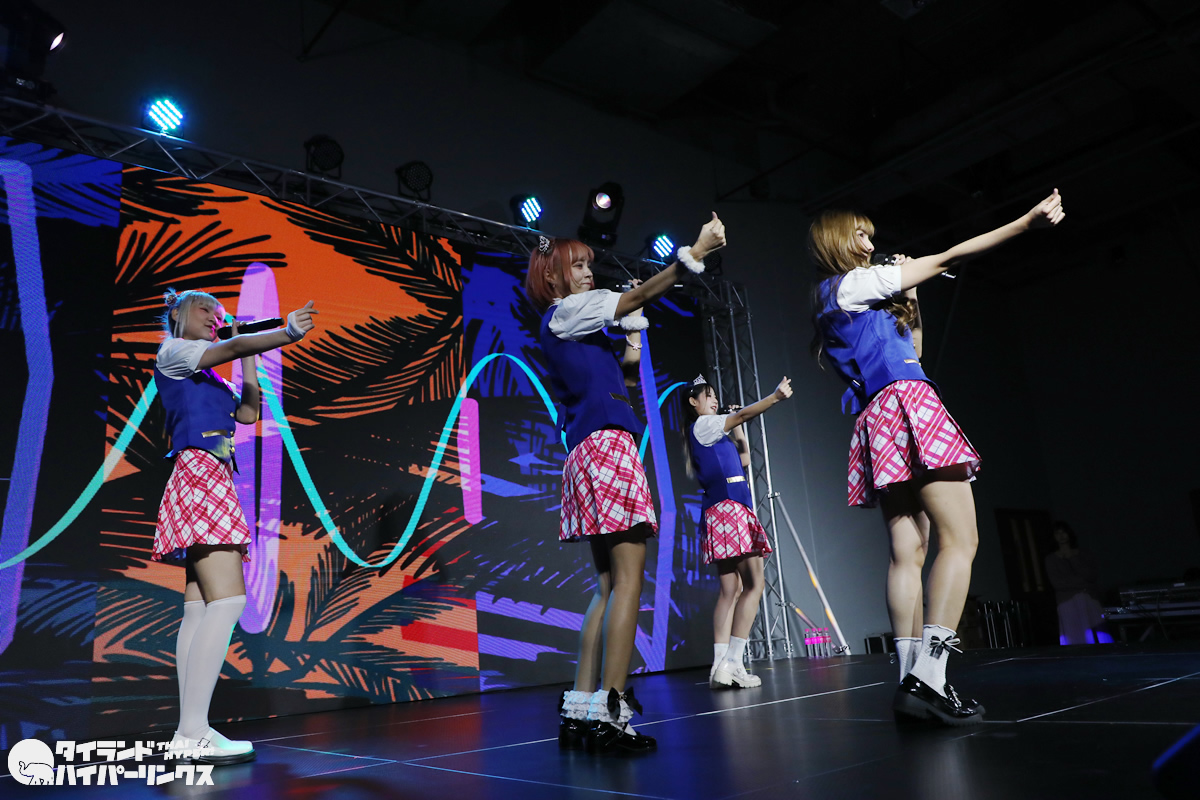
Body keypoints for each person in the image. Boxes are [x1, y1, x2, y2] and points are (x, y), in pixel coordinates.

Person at [808, 190, 1065, 726]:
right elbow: (949, 255)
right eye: (861, 234)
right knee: (961, 540)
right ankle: (930, 677)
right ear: (837, 239)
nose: (870, 244)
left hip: (878, 415)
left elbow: (915, 349)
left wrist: (912, 294)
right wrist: (1024, 222)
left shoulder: (839, 297)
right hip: (907, 403)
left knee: (909, 551)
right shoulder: (855, 283)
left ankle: (910, 678)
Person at [526, 214, 726, 754]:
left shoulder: (571, 323)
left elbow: (626, 374)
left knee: (608, 586)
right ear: (553, 276)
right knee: (630, 580)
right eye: (577, 266)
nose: (588, 272)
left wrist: (631, 340)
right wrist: (692, 255)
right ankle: (613, 711)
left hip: (591, 450)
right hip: (607, 450)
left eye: (589, 264)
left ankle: (581, 706)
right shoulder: (566, 312)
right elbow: (634, 296)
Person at [154, 289, 318, 763]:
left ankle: (188, 732)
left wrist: (249, 353)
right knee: (228, 602)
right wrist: (285, 333)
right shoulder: (175, 351)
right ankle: (193, 732)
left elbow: (247, 413)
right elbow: (231, 346)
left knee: (200, 610)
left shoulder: (207, 373)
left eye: (220, 313)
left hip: (209, 477)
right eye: (205, 308)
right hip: (200, 474)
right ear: (177, 314)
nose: (215, 316)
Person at [683, 375, 792, 688]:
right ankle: (732, 662)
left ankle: (720, 666)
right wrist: (774, 398)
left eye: (715, 395)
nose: (714, 400)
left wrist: (737, 427)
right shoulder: (704, 425)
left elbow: (742, 458)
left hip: (720, 511)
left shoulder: (711, 433)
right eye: (708, 395)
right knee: (755, 584)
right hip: (730, 509)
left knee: (730, 590)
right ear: (694, 402)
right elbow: (743, 415)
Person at [1044, 521, 1105, 645]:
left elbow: (1090, 576)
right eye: (1057, 533)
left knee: (1098, 634)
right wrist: (1082, 583)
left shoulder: (1083, 554)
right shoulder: (1051, 559)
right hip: (1067, 602)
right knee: (1074, 637)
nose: (1061, 536)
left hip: (1089, 599)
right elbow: (1058, 583)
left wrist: (1072, 558)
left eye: (1064, 532)